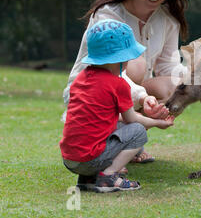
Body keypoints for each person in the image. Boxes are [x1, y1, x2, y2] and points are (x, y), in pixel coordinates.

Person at [62, 0, 189, 164]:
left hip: (128, 93)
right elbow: (113, 71)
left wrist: (194, 81)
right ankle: (110, 142)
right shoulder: (108, 14)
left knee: (176, 85)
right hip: (92, 93)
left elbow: (168, 66)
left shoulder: (168, 19)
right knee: (136, 64)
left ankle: (127, 140)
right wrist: (142, 96)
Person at [60, 19, 175, 193]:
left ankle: (88, 178)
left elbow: (107, 116)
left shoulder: (81, 79)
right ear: (120, 59)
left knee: (118, 125)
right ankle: (108, 177)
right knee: (138, 131)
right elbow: (132, 119)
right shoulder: (118, 84)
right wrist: (159, 123)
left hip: (70, 159)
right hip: (89, 159)